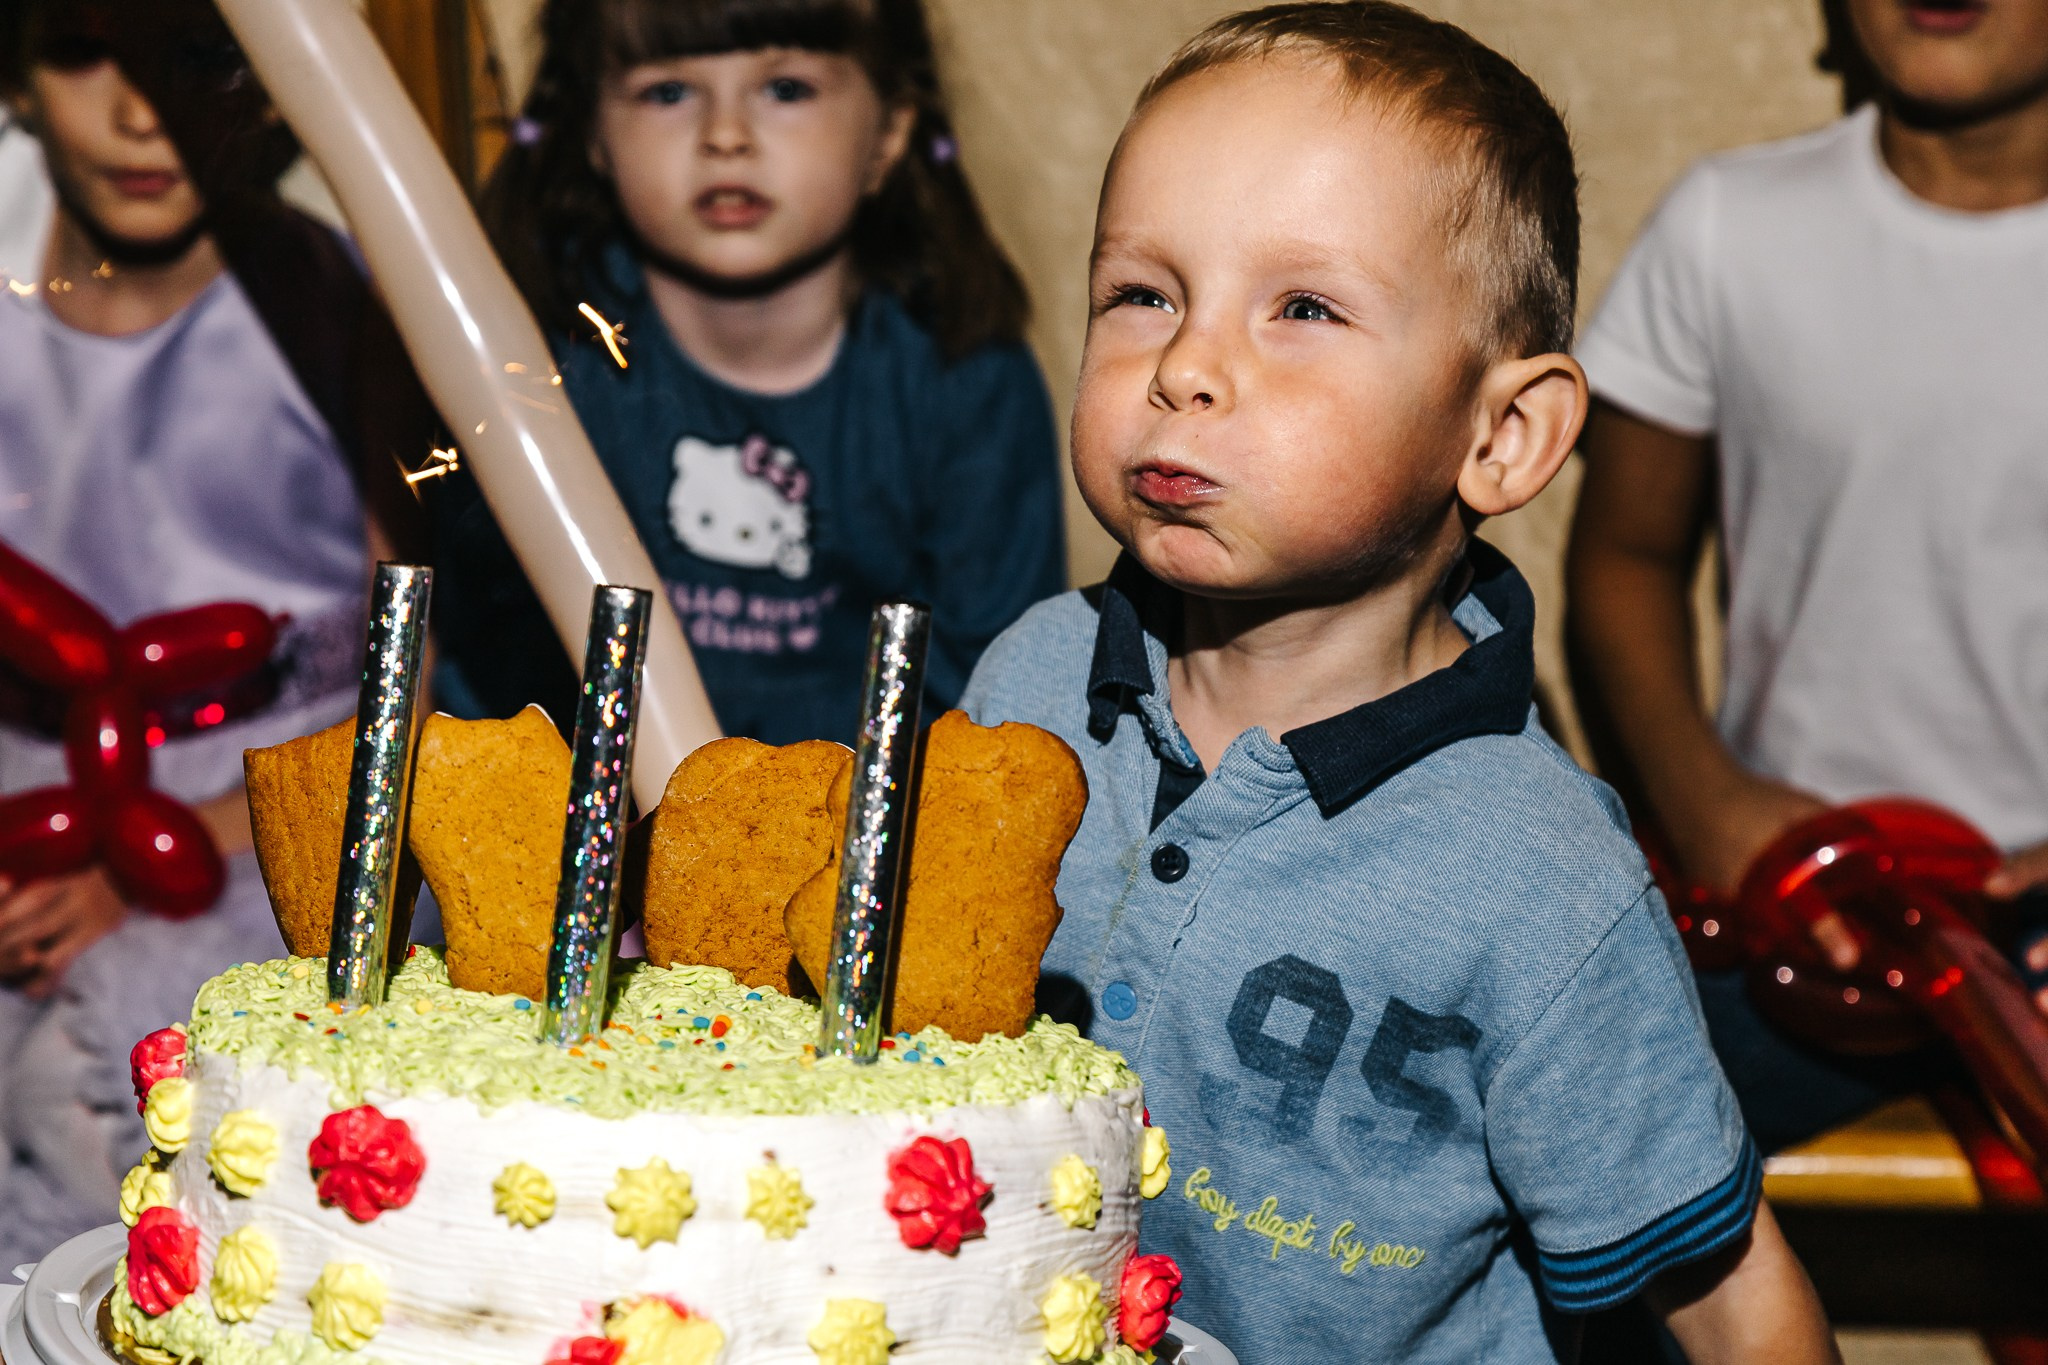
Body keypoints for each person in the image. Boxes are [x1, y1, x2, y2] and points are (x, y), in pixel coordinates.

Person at [960, 4, 1838, 1360]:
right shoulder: (1026, 683)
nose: (1184, 368)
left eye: (1303, 308)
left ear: (1502, 435)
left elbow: (1732, 1303)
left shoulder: (1540, 878)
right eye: (1143, 294)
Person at [1567, 0, 2048, 1150]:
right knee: (1579, 1136)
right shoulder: (1730, 224)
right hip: (1788, 900)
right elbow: (1623, 558)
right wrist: (1706, 804)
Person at [0, 3, 394, 1262]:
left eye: (202, 57)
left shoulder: (345, 301)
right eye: (85, 52)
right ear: (16, 73)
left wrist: (147, 865)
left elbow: (411, 680)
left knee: (112, 1108)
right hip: (25, 785)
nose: (142, 111)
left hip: (266, 813)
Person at [436, 0, 1064, 746]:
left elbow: (995, 700)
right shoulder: (542, 363)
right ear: (593, 134)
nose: (725, 135)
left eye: (786, 89)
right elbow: (488, 666)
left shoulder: (971, 382)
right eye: (669, 91)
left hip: (874, 811)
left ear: (891, 131)